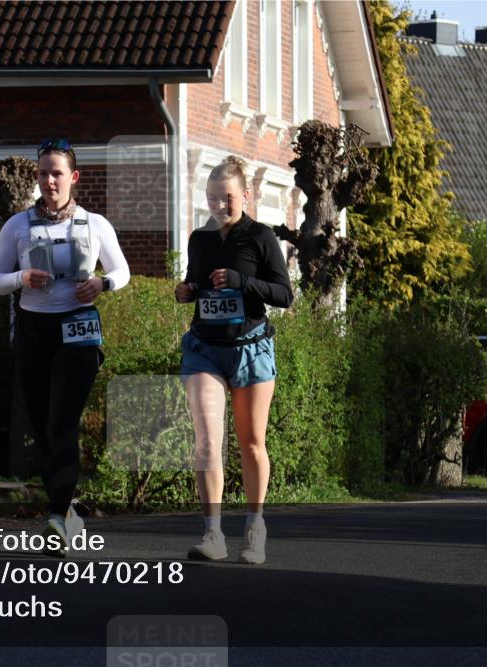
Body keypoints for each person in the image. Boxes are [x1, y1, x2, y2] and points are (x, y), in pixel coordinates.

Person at [0, 138, 130, 557]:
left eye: (57, 173)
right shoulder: (18, 226)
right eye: (44, 173)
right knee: (42, 425)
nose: (49, 180)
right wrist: (20, 279)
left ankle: (55, 515)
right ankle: (68, 512)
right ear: (36, 177)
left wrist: (102, 283)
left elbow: (121, 270)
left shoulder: (94, 223)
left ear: (73, 178)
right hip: (34, 330)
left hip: (79, 329)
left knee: (63, 420)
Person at [176, 155, 294, 565]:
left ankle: (255, 527)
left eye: (227, 198)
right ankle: (212, 535)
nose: (220, 206)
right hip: (204, 349)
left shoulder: (260, 238)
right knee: (207, 441)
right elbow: (197, 281)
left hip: (250, 349)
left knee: (251, 443)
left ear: (245, 195)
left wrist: (243, 282)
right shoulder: (199, 239)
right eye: (212, 198)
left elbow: (284, 294)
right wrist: (187, 290)